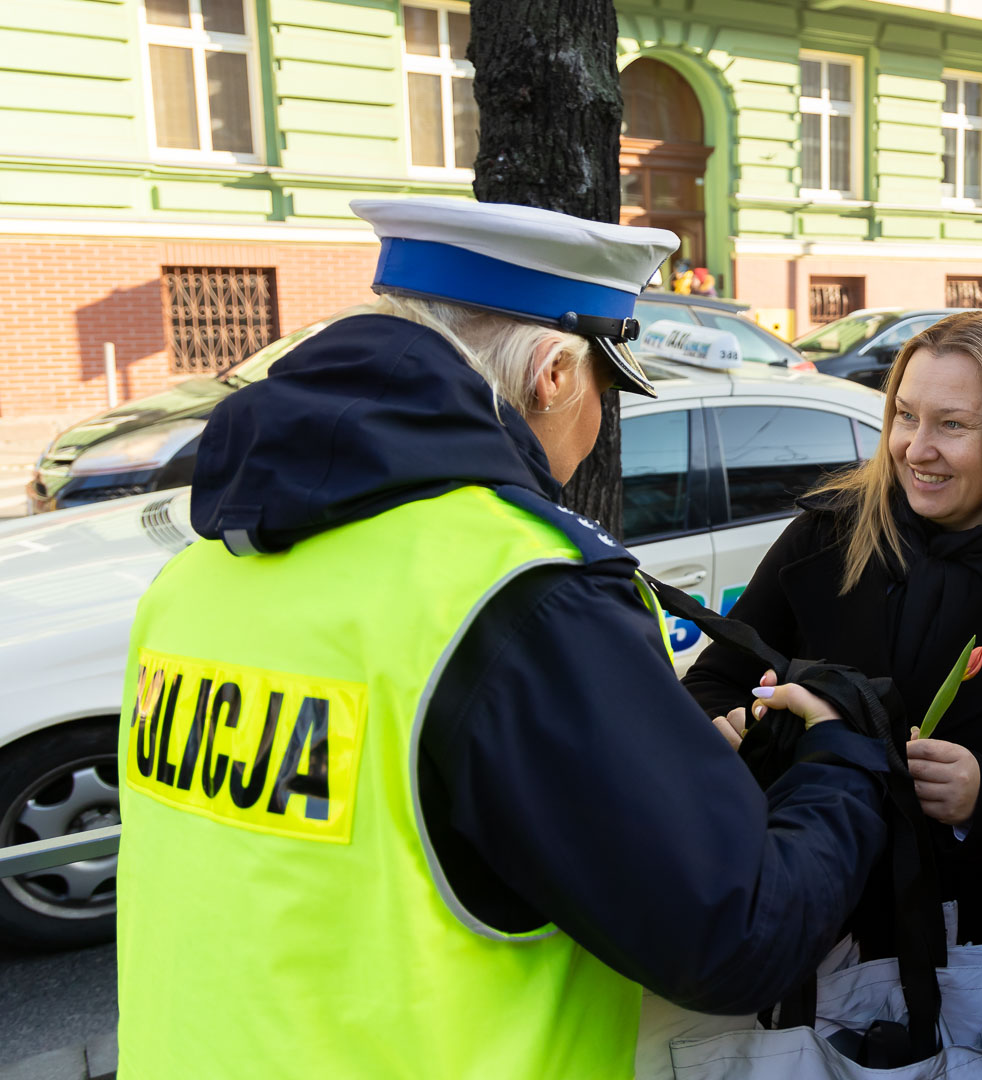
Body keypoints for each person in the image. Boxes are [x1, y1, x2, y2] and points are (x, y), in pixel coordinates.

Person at [116, 197, 893, 1079]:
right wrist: (841, 758)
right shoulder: (521, 590)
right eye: (607, 388)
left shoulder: (195, 576)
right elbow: (738, 935)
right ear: (554, 375)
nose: (599, 422)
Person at [683, 310, 982, 1080]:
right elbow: (713, 678)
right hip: (815, 926)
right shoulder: (826, 535)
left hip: (978, 958)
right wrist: (728, 726)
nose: (915, 447)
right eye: (905, 415)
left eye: (952, 425)